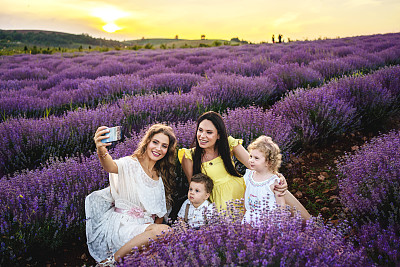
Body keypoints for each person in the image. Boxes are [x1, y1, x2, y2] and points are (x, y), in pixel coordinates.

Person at [178, 111, 310, 219]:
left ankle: (312, 225)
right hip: (222, 203)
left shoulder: (228, 144)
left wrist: (278, 177)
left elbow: (255, 165)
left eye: (209, 132)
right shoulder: (189, 156)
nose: (202, 136)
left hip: (246, 190)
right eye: (200, 130)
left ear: (219, 135)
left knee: (279, 190)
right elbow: (195, 190)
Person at [85, 124, 177, 265]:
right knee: (166, 231)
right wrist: (101, 149)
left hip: (144, 230)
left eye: (164, 146)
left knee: (157, 253)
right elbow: (110, 166)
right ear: (147, 143)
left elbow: (159, 217)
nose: (159, 148)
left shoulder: (159, 177)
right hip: (123, 226)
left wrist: (151, 236)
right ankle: (110, 262)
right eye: (155, 142)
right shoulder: (131, 163)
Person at [243, 135, 286, 224]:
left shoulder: (274, 181)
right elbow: (245, 197)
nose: (251, 160)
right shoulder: (248, 176)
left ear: (268, 162)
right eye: (251, 156)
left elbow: (281, 205)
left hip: (268, 222)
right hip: (250, 218)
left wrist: (280, 222)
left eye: (256, 158)